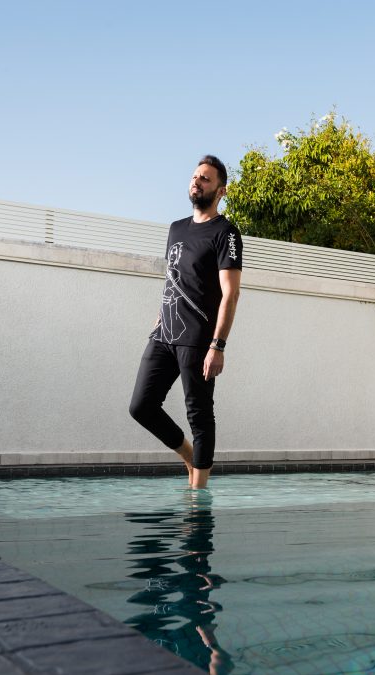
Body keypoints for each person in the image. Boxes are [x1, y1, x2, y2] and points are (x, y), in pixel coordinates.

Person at [129, 155, 243, 489]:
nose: (197, 181)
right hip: (164, 333)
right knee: (141, 406)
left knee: (199, 414)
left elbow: (231, 293)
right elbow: (175, 279)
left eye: (205, 178)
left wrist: (217, 345)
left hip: (198, 337)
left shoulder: (226, 233)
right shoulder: (176, 229)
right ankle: (188, 455)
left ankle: (199, 497)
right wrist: (159, 317)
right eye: (195, 176)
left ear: (221, 190)